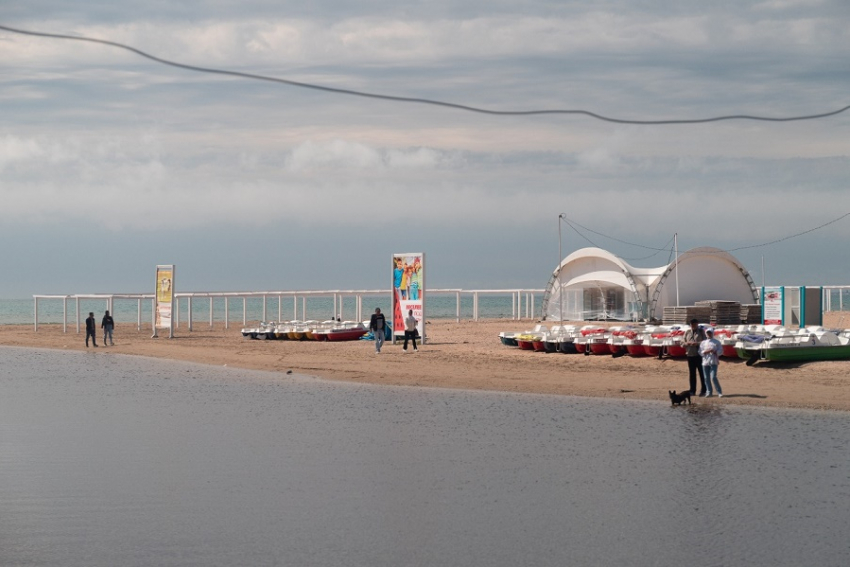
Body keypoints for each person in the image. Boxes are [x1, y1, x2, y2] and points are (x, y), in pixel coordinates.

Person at [683, 318, 706, 396]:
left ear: (697, 324)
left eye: (695, 324)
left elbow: (705, 341)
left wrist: (697, 343)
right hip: (690, 355)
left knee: (701, 373)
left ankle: (704, 390)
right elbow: (682, 342)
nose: (693, 326)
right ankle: (692, 390)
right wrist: (687, 343)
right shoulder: (687, 332)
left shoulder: (701, 332)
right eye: (692, 324)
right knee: (692, 374)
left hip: (699, 355)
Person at [699, 328, 723, 397]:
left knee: (713, 377)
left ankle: (719, 392)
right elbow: (700, 351)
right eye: (708, 333)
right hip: (705, 362)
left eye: (710, 333)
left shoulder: (716, 342)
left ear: (712, 333)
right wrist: (705, 352)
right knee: (706, 377)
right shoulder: (703, 342)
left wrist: (715, 351)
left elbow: (721, 351)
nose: (709, 334)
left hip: (714, 361)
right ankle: (709, 392)